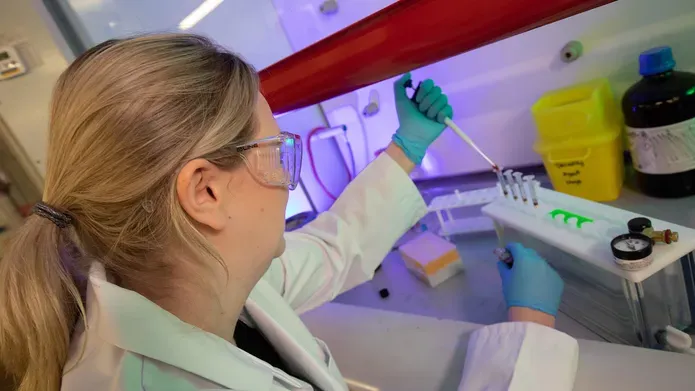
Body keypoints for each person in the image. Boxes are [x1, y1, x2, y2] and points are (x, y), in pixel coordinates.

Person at [0, 34, 576, 391]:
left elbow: (329, 250)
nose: (287, 175)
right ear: (205, 193)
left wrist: (408, 146)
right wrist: (529, 328)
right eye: (276, 152)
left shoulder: (189, 281)